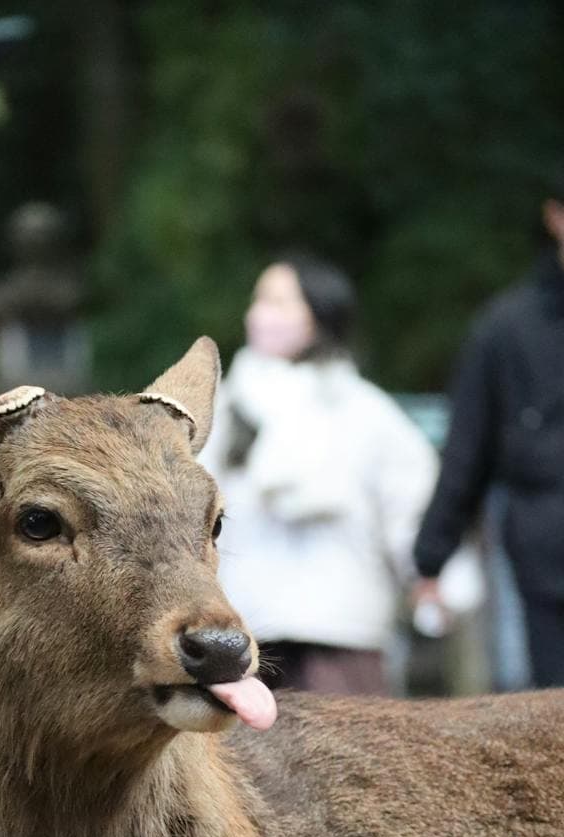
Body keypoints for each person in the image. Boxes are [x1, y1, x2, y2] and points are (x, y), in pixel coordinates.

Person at [199, 254, 440, 694]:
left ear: (318, 314)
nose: (261, 314)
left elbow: (411, 504)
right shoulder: (224, 410)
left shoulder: (365, 412)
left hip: (343, 635)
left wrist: (430, 579)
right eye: (259, 300)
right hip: (247, 635)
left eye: (279, 301)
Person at [413, 169, 564, 687]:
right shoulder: (506, 328)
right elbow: (466, 452)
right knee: (542, 706)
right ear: (555, 217)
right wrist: (430, 559)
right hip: (539, 545)